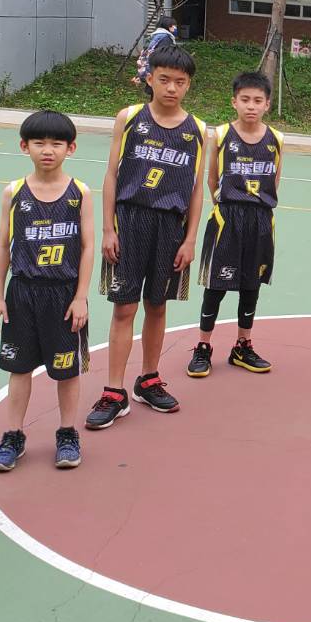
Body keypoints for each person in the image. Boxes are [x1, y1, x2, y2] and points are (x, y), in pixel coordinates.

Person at [86, 45, 205, 428]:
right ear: (149, 78)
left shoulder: (199, 131)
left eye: (180, 82)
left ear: (188, 85)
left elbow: (197, 190)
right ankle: (114, 391)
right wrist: (108, 228)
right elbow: (111, 175)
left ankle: (148, 379)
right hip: (130, 221)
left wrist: (190, 239)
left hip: (170, 227)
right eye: (164, 79)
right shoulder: (129, 118)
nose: (171, 88)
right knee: (124, 308)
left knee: (157, 305)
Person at [0, 111, 95, 472]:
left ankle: (67, 433)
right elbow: (3, 246)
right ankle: (13, 435)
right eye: (39, 143)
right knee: (18, 369)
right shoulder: (13, 192)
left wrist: (81, 297)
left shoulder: (80, 193)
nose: (48, 150)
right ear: (24, 146)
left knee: (67, 370)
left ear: (70, 148)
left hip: (63, 295)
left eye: (56, 143)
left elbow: (88, 247)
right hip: (23, 293)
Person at [188, 71, 282, 377]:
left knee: (251, 286)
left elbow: (274, 182)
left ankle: (243, 346)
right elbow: (212, 178)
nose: (251, 106)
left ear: (267, 104)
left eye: (257, 100)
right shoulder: (221, 135)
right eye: (245, 100)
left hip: (260, 220)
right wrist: (226, 206)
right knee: (216, 285)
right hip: (228, 218)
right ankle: (203, 347)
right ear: (234, 102)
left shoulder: (276, 139)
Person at [134, 15, 179, 98]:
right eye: (173, 25)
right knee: (160, 99)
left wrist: (140, 75)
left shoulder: (155, 36)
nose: (175, 28)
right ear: (168, 26)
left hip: (152, 71)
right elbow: (164, 57)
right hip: (159, 72)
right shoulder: (166, 39)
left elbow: (147, 54)